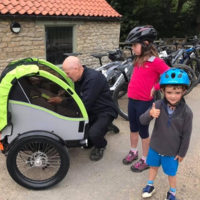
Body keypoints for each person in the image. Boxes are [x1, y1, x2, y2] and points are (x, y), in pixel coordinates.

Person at [48, 56, 118, 161]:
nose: (67, 76)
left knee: (93, 134)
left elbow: (83, 104)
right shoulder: (78, 78)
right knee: (86, 144)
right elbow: (78, 96)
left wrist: (61, 101)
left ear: (76, 68)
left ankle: (101, 145)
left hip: (105, 111)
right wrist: (64, 94)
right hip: (91, 111)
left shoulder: (93, 79)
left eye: (68, 73)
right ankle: (103, 127)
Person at [122, 25, 170, 172]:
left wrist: (155, 87)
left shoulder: (156, 62)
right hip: (132, 101)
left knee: (143, 131)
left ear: (146, 43)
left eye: (134, 45)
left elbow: (169, 76)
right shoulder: (138, 59)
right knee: (133, 128)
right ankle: (133, 151)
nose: (132, 48)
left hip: (144, 102)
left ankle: (146, 159)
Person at [140, 68, 193, 200]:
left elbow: (186, 135)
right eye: (169, 92)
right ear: (162, 91)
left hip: (172, 152)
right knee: (153, 167)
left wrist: (182, 153)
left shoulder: (187, 113)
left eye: (177, 92)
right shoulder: (157, 105)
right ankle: (150, 185)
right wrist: (149, 114)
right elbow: (142, 120)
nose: (173, 96)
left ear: (184, 91)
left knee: (171, 173)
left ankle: (172, 192)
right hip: (155, 147)